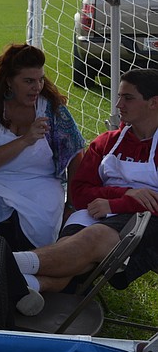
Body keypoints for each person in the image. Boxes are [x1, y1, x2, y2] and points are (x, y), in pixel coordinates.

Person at [14, 69, 158, 297]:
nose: (119, 104)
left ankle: (4, 266)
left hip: (146, 225)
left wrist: (116, 205)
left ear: (153, 103)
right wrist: (126, 193)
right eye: (119, 96)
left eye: (128, 98)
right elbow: (80, 193)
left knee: (93, 238)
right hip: (95, 211)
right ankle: (25, 288)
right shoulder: (107, 142)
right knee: (70, 253)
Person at [0, 44, 86, 250]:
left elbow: (77, 155)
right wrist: (25, 140)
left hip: (38, 181)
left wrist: (72, 205)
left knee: (38, 231)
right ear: (8, 81)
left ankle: (27, 275)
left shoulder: (50, 108)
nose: (37, 87)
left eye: (40, 79)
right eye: (28, 81)